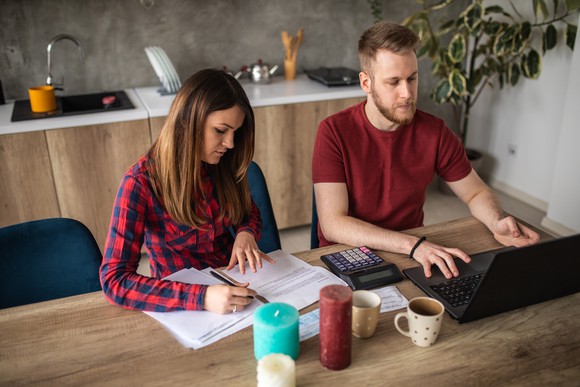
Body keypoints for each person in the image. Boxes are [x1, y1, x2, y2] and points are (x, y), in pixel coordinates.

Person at [312, 21, 539, 280]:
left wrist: (496, 221)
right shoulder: (333, 131)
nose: (407, 93)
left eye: (412, 78)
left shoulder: (435, 131)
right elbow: (333, 224)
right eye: (393, 82)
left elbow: (475, 192)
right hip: (351, 254)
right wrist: (411, 245)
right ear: (366, 83)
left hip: (412, 252)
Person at [100, 69, 274, 314]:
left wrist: (246, 233)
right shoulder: (139, 183)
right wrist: (202, 297)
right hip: (183, 305)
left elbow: (248, 211)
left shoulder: (222, 162)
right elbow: (115, 281)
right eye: (220, 131)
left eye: (235, 132)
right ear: (187, 121)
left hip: (236, 288)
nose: (230, 144)